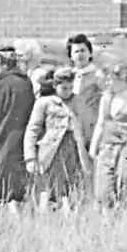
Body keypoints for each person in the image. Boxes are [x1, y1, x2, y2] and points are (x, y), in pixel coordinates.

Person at [25, 68, 90, 210]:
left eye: (70, 87)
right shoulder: (45, 103)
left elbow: (85, 126)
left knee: (74, 186)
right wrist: (30, 157)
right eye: (64, 88)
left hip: (73, 147)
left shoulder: (78, 101)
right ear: (55, 86)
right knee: (51, 187)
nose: (67, 91)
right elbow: (33, 129)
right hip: (52, 150)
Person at [0, 44, 35, 210]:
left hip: (3, 137)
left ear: (2, 62)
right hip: (22, 139)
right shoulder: (26, 82)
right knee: (17, 185)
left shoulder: (4, 83)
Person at [89, 62, 127, 209]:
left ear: (122, 78)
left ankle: (126, 222)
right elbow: (101, 123)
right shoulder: (107, 97)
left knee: (125, 184)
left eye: (109, 79)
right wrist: (93, 147)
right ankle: (107, 223)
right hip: (108, 146)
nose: (106, 83)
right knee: (103, 189)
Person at [65, 34, 104, 168]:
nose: (80, 54)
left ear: (90, 53)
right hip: (73, 129)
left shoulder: (99, 76)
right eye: (76, 51)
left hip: (92, 128)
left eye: (83, 50)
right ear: (71, 56)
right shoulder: (68, 77)